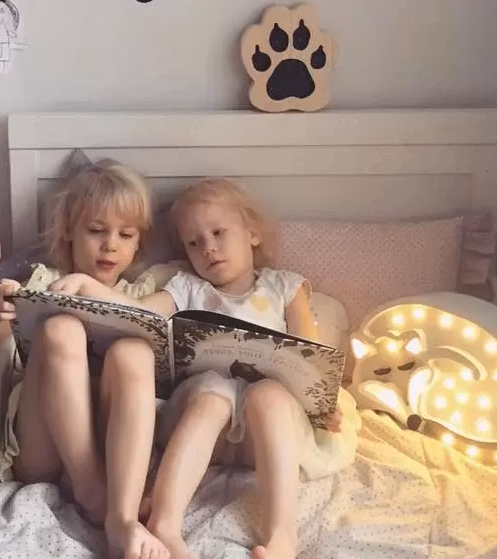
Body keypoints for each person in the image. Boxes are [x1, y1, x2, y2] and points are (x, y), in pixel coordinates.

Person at [53, 178, 344, 559]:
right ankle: (165, 524)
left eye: (218, 233)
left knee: (268, 394)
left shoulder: (284, 286)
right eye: (194, 242)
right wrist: (89, 287)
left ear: (252, 233)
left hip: (266, 431)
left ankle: (281, 536)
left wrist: (324, 404)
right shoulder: (187, 287)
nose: (208, 247)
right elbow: (139, 313)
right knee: (212, 391)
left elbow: (312, 356)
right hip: (209, 427)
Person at [0, 158, 169, 559]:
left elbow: (159, 320)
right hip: (44, 448)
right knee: (61, 328)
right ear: (68, 233)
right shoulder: (40, 282)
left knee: (134, 350)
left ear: (138, 244)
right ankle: (91, 491)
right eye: (96, 230)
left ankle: (122, 519)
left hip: (115, 450)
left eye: (125, 234)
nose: (110, 245)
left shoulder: (145, 290)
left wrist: (91, 288)